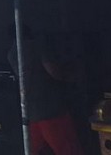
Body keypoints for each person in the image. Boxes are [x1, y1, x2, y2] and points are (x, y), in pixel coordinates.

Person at [8, 24, 84, 155]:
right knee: (66, 148)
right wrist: (72, 77)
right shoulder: (39, 46)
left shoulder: (12, 54)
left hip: (30, 110)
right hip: (50, 107)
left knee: (32, 149)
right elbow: (53, 71)